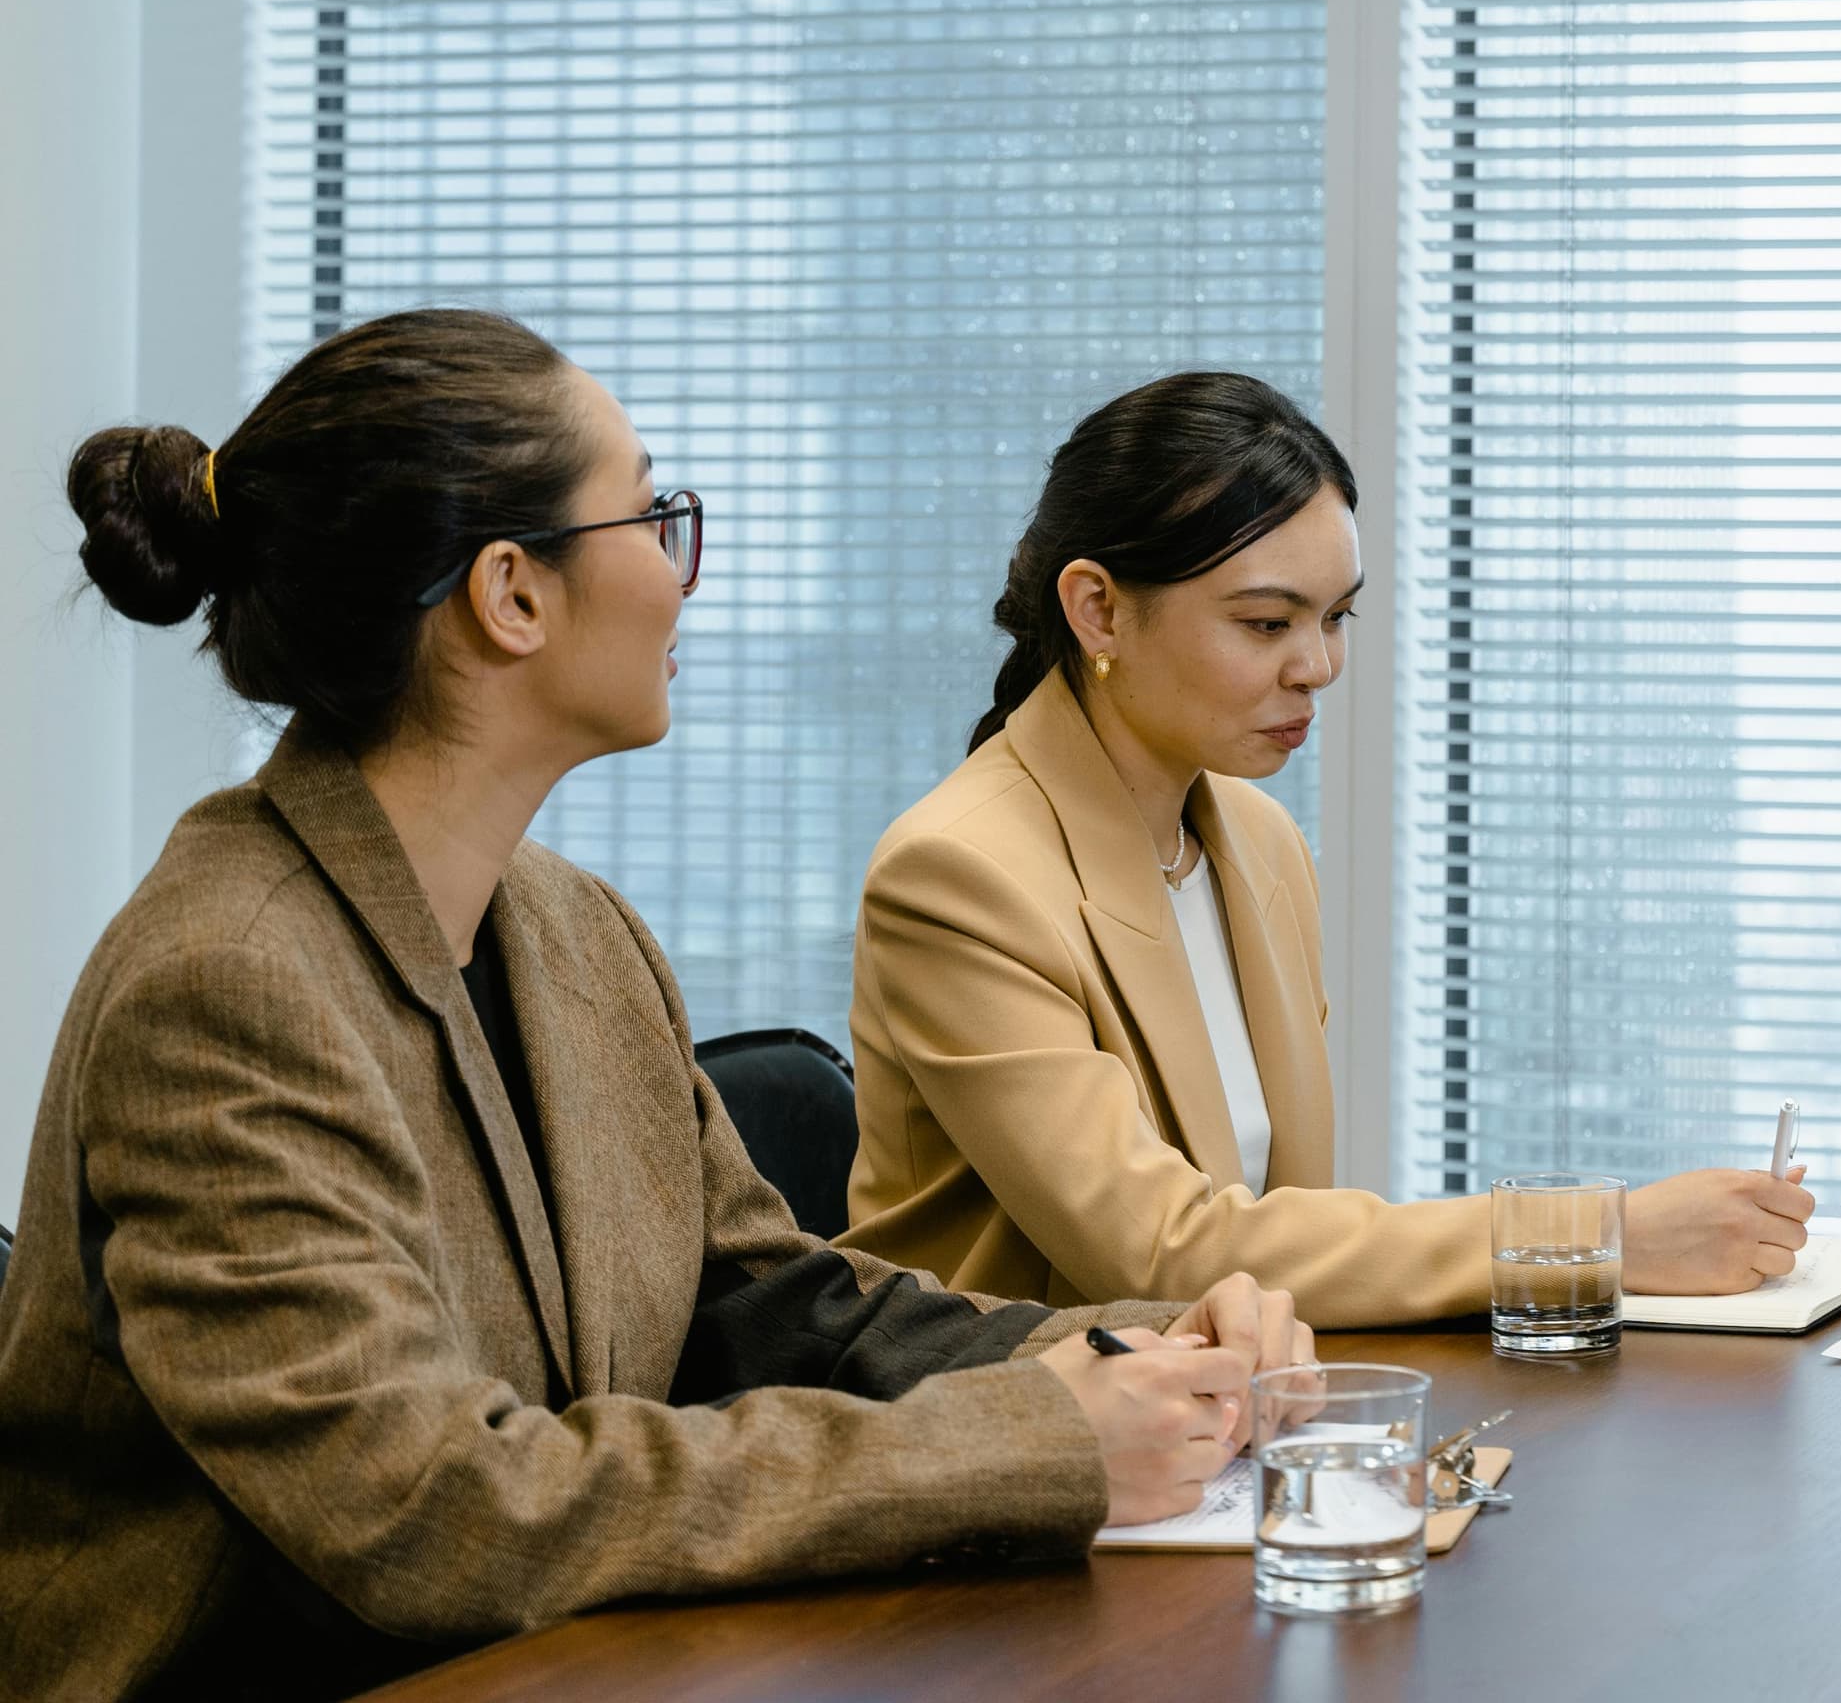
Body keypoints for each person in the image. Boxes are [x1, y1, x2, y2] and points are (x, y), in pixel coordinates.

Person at [0, 310, 1306, 1703]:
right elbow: (440, 1517)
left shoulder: (576, 931)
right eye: (653, 517)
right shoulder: (228, 987)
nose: (685, 579)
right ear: (513, 595)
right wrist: (1032, 1443)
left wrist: (1120, 1356)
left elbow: (768, 1306)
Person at [840, 371, 1815, 1324]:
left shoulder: (1256, 841)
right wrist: (1591, 1233)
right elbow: (1166, 1255)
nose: (1319, 666)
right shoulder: (959, 875)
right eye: (1267, 622)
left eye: (1335, 615)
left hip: (1228, 1415)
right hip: (1036, 1439)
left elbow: (1280, 1228)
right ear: (1097, 608)